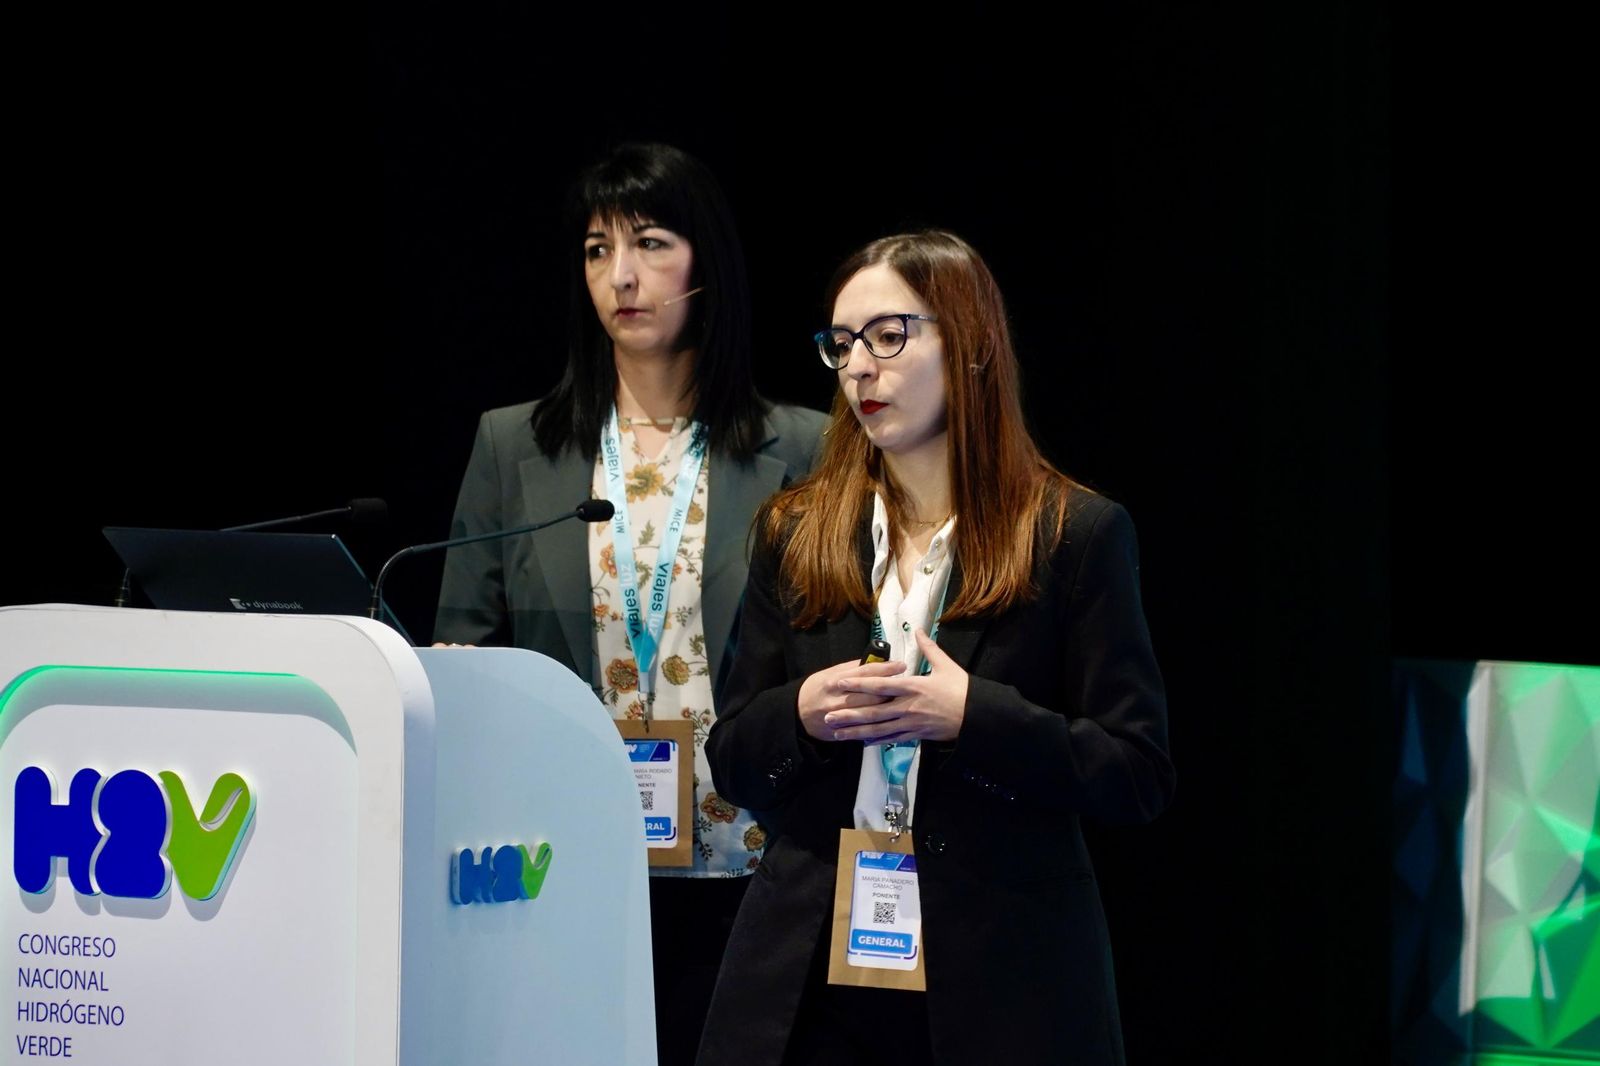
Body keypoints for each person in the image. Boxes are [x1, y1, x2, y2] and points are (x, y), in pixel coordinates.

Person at [698, 230, 1174, 1065]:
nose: (858, 368)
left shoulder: (1074, 535)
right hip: (812, 970)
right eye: (841, 345)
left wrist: (974, 717)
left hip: (1002, 977)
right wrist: (801, 717)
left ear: (974, 345)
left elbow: (1136, 772)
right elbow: (733, 757)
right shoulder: (797, 530)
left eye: (889, 336)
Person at [433, 142, 826, 1066]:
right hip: (559, 865)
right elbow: (462, 643)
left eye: (650, 242)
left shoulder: (804, 449)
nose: (621, 275)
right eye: (597, 248)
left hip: (746, 860)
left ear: (707, 264)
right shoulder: (510, 446)